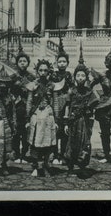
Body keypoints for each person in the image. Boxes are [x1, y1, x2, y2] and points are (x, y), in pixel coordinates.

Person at [64, 43, 99, 176]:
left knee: (84, 143)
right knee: (71, 143)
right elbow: (68, 106)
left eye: (83, 76)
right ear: (74, 77)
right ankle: (71, 167)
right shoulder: (71, 91)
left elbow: (94, 107)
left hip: (84, 121)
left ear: (86, 77)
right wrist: (67, 121)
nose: (80, 78)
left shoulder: (89, 92)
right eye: (78, 76)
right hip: (73, 120)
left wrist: (91, 120)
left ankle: (82, 166)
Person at [90, 37, 111, 164]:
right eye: (110, 60)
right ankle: (106, 153)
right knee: (104, 133)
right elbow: (90, 86)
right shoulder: (102, 75)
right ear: (106, 62)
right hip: (104, 107)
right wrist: (95, 98)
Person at [26, 59, 58, 177]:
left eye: (45, 70)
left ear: (49, 71)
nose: (43, 72)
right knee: (35, 142)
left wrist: (57, 119)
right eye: (41, 70)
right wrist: (27, 119)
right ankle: (36, 166)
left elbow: (55, 103)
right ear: (37, 71)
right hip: (36, 116)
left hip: (48, 117)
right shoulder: (32, 85)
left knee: (48, 142)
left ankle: (46, 165)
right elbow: (29, 102)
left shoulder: (52, 86)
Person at [50, 36, 74, 165]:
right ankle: (54, 155)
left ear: (67, 63)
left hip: (66, 103)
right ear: (56, 63)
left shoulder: (69, 75)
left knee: (65, 131)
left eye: (64, 62)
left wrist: (68, 96)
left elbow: (71, 88)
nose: (62, 64)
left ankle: (63, 154)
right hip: (55, 103)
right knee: (55, 130)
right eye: (60, 62)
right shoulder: (53, 75)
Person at [10, 47, 35, 164]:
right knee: (15, 131)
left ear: (28, 63)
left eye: (24, 61)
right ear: (17, 63)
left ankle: (24, 154)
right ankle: (16, 153)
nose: (22, 63)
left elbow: (34, 91)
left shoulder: (31, 77)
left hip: (26, 107)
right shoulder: (13, 77)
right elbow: (9, 91)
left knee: (25, 131)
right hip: (15, 106)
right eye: (20, 61)